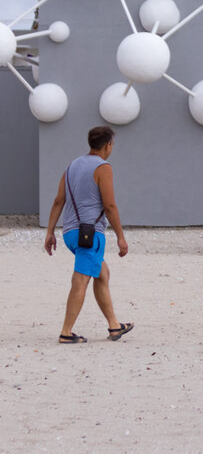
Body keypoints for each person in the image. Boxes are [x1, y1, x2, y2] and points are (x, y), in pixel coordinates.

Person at [43, 126, 133, 344]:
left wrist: (50, 232)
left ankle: (114, 325)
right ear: (108, 145)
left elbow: (58, 200)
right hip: (90, 235)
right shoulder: (103, 168)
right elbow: (109, 205)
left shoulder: (72, 166)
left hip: (71, 234)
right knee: (81, 279)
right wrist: (121, 236)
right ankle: (66, 332)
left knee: (101, 273)